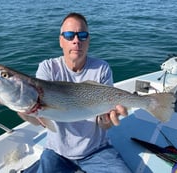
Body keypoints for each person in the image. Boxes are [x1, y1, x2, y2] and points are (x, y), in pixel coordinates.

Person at [16, 12, 132, 173]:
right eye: (69, 35)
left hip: (96, 150)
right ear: (61, 41)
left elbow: (103, 123)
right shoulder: (48, 68)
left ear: (88, 40)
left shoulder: (101, 68)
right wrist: (17, 104)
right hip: (57, 152)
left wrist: (109, 120)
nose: (76, 40)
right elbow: (37, 120)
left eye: (82, 35)